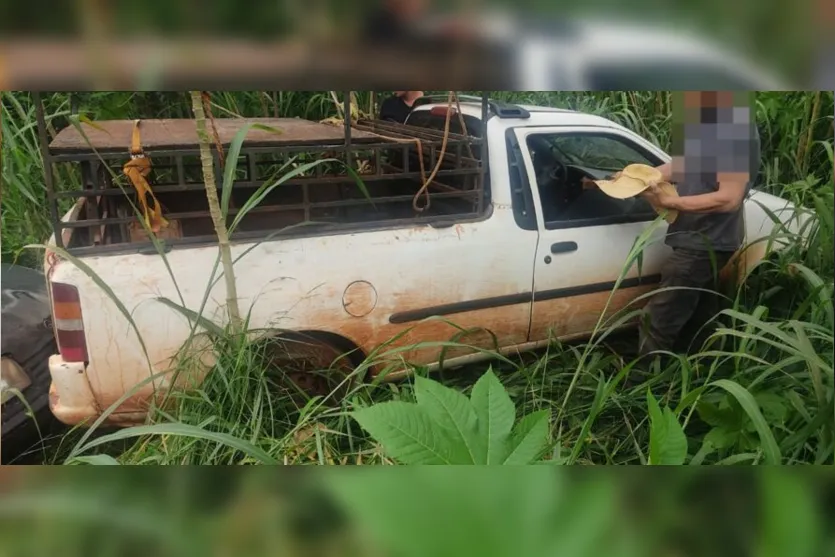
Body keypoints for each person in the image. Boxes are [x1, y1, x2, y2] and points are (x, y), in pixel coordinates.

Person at [636, 91, 761, 356]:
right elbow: (684, 164)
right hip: (697, 236)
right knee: (697, 312)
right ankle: (699, 367)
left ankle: (644, 383)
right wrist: (639, 178)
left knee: (658, 317)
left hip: (706, 242)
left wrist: (672, 203)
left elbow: (729, 198)